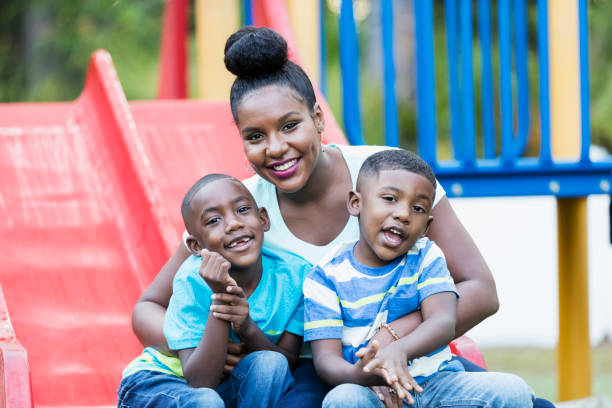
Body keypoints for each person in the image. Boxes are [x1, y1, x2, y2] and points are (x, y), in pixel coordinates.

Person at [131, 26, 554, 408]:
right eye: (256, 137)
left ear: (318, 119)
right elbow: (149, 307)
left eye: (290, 125)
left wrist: (394, 336)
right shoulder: (243, 211)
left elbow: (480, 289)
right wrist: (197, 343)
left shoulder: (384, 176)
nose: (276, 148)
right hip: (312, 371)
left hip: (407, 355)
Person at [304, 149, 535, 407]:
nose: (403, 214)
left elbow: (443, 321)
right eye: (390, 198)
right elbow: (326, 360)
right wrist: (360, 375)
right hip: (371, 391)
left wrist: (399, 350)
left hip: (435, 386)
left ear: (426, 226)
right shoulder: (325, 275)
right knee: (343, 399)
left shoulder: (426, 256)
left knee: (513, 391)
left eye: (417, 208)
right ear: (356, 203)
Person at [117, 174, 311, 407]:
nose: (233, 224)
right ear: (196, 246)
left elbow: (287, 360)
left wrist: (247, 326)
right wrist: (222, 298)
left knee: (271, 364)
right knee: (206, 402)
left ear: (263, 219)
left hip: (226, 386)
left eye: (242, 210)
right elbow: (200, 380)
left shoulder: (295, 276)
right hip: (159, 381)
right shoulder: (191, 279)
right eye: (213, 221)